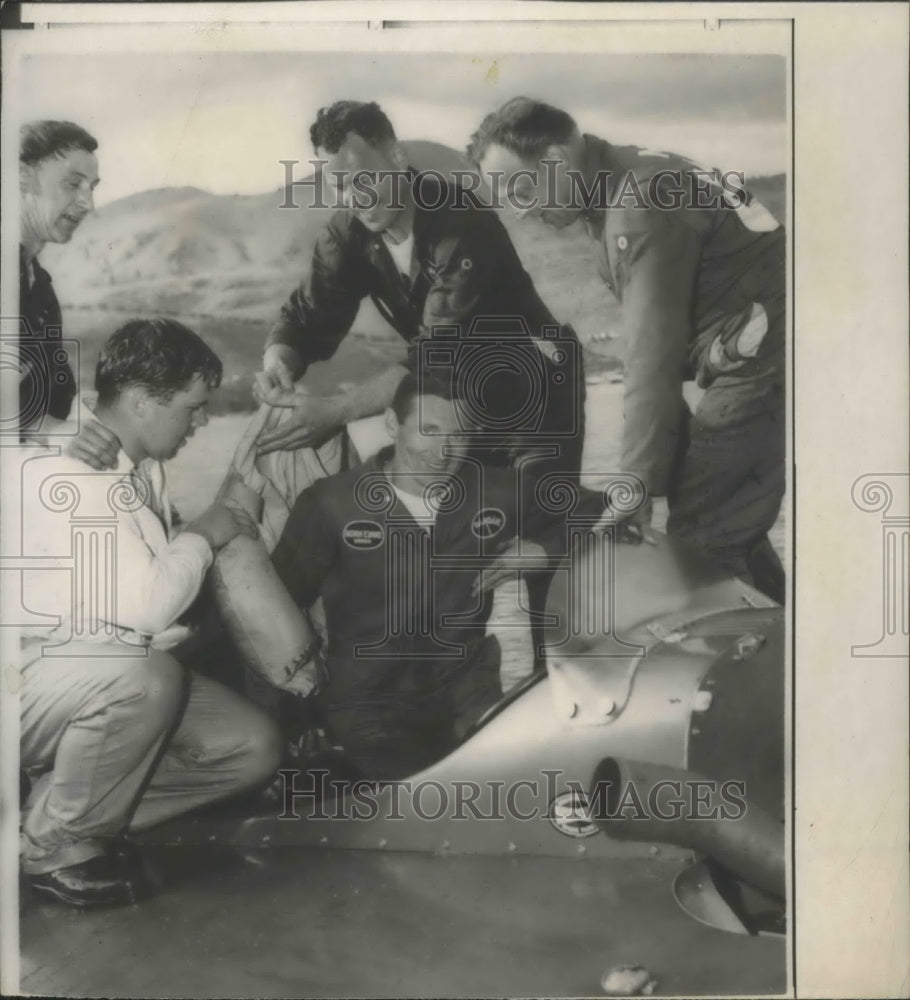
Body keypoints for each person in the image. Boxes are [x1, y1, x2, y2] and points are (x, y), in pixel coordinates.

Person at [468, 98, 786, 603]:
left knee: (699, 550)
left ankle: (754, 674)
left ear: (555, 158)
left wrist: (635, 482)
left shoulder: (635, 204)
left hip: (766, 356)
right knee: (723, 525)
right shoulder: (624, 177)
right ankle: (789, 649)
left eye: (521, 188)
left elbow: (651, 355)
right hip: (754, 351)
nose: (520, 209)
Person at [19, 319, 282, 908]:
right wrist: (204, 536)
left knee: (251, 746)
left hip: (88, 674)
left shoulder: (143, 468)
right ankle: (54, 846)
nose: (201, 422)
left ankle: (60, 812)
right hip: (28, 680)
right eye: (192, 407)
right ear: (141, 402)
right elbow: (146, 610)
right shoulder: (78, 472)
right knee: (146, 678)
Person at [269, 372, 606, 781]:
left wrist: (544, 551)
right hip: (368, 704)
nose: (444, 452)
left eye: (460, 435)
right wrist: (289, 721)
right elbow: (272, 611)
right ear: (393, 425)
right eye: (429, 430)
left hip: (466, 691)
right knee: (424, 800)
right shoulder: (330, 504)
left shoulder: (494, 490)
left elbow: (608, 508)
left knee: (519, 785)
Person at [254, 100, 585, 487]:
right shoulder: (345, 234)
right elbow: (305, 319)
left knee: (531, 530)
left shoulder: (461, 222)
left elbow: (438, 357)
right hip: (452, 406)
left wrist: (336, 410)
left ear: (396, 156)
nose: (354, 198)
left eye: (363, 179)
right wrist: (277, 365)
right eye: (339, 186)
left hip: (535, 397)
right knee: (439, 528)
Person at [17, 120, 121, 469]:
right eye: (72, 184)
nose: (87, 203)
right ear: (23, 177)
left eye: (91, 187)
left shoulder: (38, 286)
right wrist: (53, 430)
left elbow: (57, 395)